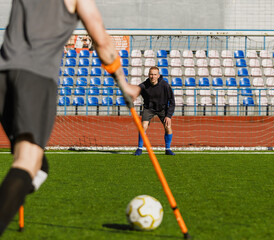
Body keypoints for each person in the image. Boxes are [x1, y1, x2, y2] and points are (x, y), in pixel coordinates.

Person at [0, 0, 139, 235]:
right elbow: (102, 41)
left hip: (3, 75)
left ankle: (14, 195)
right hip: (35, 77)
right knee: (26, 161)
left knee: (37, 165)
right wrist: (123, 83)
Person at [134, 67, 176, 156]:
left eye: (155, 74)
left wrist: (168, 116)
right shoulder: (144, 85)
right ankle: (139, 148)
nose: (153, 76)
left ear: (158, 75)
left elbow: (172, 101)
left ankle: (168, 149)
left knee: (168, 126)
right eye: (151, 74)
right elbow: (136, 90)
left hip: (162, 109)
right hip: (149, 108)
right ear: (148, 75)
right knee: (143, 126)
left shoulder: (165, 85)